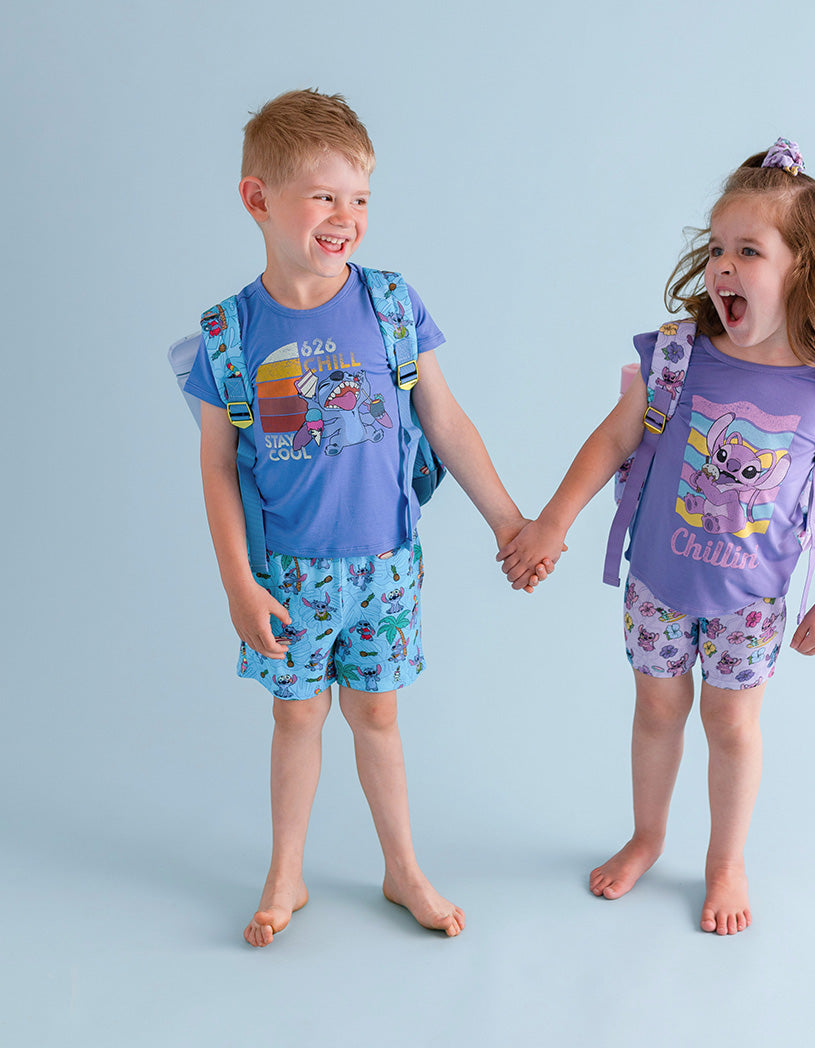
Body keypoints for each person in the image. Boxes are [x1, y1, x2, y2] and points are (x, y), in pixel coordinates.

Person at [497, 139, 815, 935]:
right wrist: (550, 522)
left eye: (749, 250)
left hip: (753, 600)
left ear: (805, 270)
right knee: (656, 710)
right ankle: (647, 836)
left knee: (732, 724)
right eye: (717, 247)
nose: (723, 266)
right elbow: (611, 440)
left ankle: (726, 861)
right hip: (659, 584)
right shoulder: (679, 357)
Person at [184, 89, 547, 947]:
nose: (345, 217)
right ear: (258, 199)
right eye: (323, 196)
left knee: (378, 716)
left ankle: (403, 869)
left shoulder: (389, 305)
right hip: (286, 576)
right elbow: (214, 468)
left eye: (360, 199)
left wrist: (509, 521)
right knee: (298, 717)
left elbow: (446, 423)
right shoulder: (228, 334)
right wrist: (237, 582)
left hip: (385, 566)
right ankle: (286, 874)